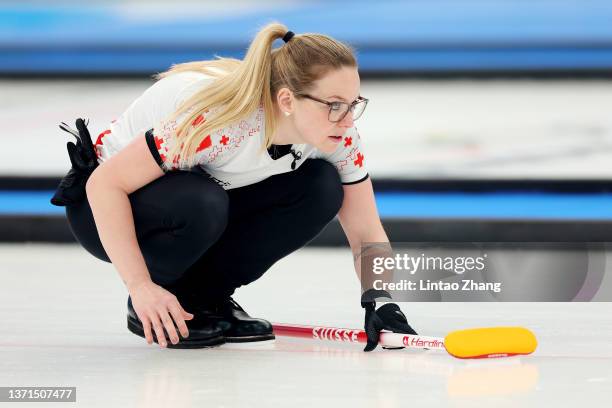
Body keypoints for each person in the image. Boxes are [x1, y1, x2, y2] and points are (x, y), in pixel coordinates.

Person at [51, 22, 416, 350]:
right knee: (201, 202)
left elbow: (367, 229)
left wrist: (379, 298)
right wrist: (141, 287)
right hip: (101, 208)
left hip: (188, 195)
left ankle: (204, 298)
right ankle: (161, 294)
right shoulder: (222, 122)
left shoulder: (339, 135)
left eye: (354, 104)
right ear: (286, 100)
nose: (348, 119)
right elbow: (103, 185)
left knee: (321, 187)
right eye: (335, 105)